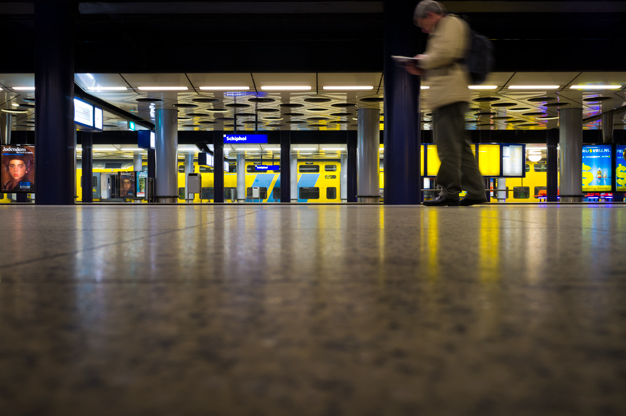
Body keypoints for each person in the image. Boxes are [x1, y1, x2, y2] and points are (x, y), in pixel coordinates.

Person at [405, 0, 487, 206]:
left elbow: (446, 53)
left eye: (423, 24)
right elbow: (443, 58)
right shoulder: (447, 27)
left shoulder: (450, 24)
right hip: (450, 95)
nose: (424, 30)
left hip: (449, 96)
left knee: (447, 147)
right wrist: (423, 67)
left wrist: (421, 60)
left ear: (431, 15)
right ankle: (476, 191)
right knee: (461, 148)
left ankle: (450, 192)